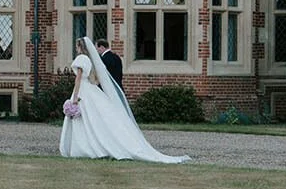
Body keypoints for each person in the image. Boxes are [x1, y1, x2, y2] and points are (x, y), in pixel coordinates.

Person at [60, 37, 190, 163]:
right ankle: (93, 146)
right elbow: (96, 79)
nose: (76, 48)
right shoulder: (91, 59)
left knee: (86, 120)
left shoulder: (81, 58)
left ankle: (85, 147)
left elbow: (78, 79)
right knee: (93, 119)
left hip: (83, 90)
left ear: (80, 47)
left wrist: (75, 97)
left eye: (77, 46)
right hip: (90, 89)